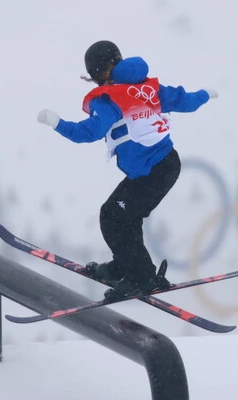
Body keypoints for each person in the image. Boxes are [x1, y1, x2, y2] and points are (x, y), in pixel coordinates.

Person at [36, 40, 218, 300]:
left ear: (99, 74)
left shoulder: (110, 100)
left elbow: (89, 132)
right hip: (165, 166)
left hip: (152, 173)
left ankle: (140, 277)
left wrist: (57, 123)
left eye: (97, 76)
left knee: (113, 217)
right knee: (123, 216)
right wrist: (204, 94)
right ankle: (126, 266)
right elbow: (182, 100)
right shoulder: (145, 87)